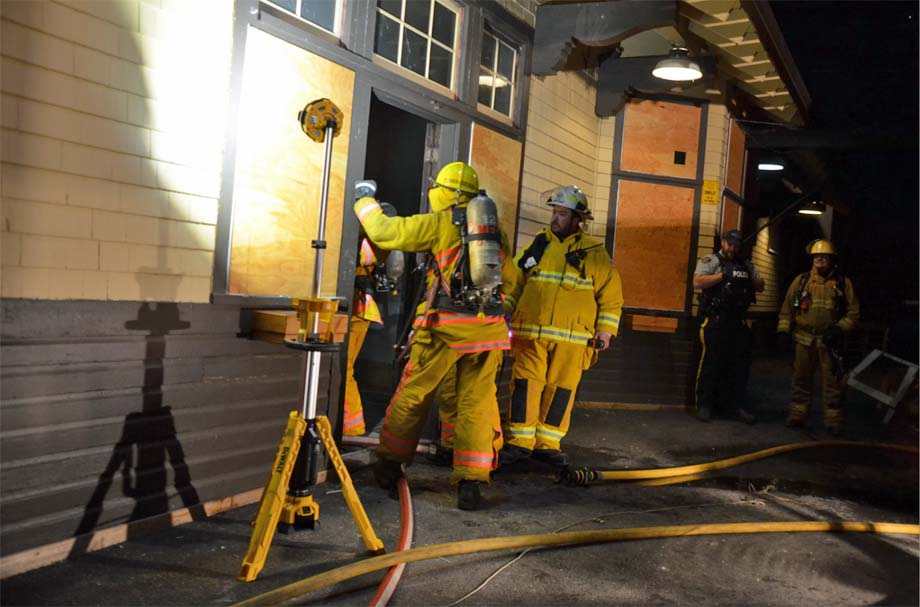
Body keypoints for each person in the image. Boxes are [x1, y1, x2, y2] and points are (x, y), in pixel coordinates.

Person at [353, 162, 509, 510]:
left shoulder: (440, 223)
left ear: (448, 193)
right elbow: (504, 279)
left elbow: (384, 231)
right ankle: (471, 481)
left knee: (415, 394)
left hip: (446, 328)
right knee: (477, 405)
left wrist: (364, 200)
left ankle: (389, 465)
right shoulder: (495, 231)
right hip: (490, 330)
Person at [498, 185, 624, 468]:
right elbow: (514, 286)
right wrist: (503, 314)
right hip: (530, 333)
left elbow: (611, 298)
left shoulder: (594, 253)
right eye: (555, 212)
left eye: (563, 214)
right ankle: (519, 443)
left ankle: (548, 445)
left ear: (579, 219)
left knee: (561, 390)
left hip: (573, 339)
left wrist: (605, 331)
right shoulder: (538, 246)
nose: (555, 218)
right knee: (525, 387)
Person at [777, 239, 859, 434]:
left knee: (833, 384)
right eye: (816, 256)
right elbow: (787, 310)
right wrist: (782, 331)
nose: (819, 259)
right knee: (800, 379)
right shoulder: (801, 281)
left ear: (832, 259)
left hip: (829, 343)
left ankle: (833, 422)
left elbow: (853, 313)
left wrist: (839, 329)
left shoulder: (842, 283)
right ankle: (797, 416)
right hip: (803, 339)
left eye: (823, 257)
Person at [693, 229, 765, 423]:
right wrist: (723, 276)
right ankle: (704, 406)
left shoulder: (746, 264)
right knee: (710, 364)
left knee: (738, 367)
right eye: (730, 244)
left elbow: (760, 285)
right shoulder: (711, 260)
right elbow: (697, 282)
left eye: (736, 245)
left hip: (738, 321)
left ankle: (735, 407)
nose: (733, 248)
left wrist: (748, 277)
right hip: (716, 319)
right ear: (723, 242)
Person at [343, 206, 399, 436]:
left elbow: (354, 257)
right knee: (343, 367)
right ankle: (350, 426)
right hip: (354, 308)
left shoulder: (370, 242)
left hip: (357, 309)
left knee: (344, 368)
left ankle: (352, 428)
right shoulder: (370, 239)